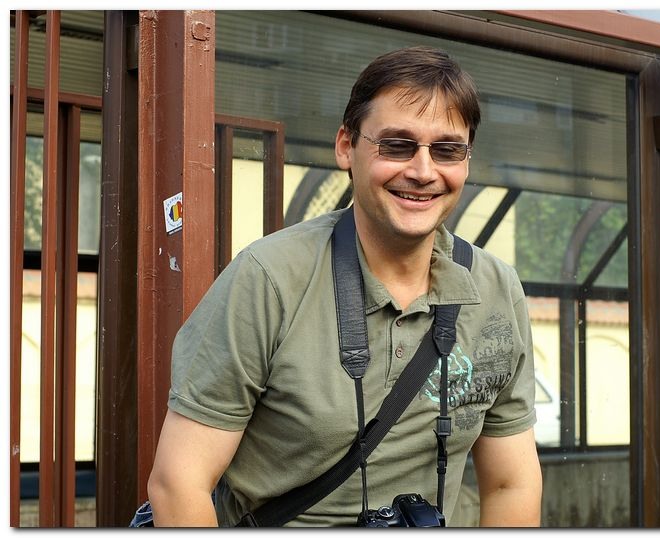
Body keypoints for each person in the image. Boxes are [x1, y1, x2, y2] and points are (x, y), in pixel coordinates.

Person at [147, 45, 542, 527]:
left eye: (447, 150)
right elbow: (178, 482)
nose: (423, 172)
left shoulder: (497, 290)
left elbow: (510, 484)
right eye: (396, 145)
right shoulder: (269, 277)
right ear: (345, 147)